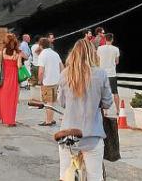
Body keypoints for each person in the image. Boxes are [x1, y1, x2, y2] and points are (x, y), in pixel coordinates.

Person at [58, 38, 113, 181]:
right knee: (95, 176)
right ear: (92, 53)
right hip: (91, 136)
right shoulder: (100, 74)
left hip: (67, 135)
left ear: (73, 53)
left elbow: (62, 102)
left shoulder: (65, 73)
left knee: (65, 175)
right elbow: (108, 102)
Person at [0, 33, 23, 126]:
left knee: (3, 98)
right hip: (13, 78)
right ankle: (10, 120)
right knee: (12, 99)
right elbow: (19, 66)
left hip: (4, 77)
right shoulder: (17, 53)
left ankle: (4, 118)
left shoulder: (3, 51)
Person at [37, 37, 63, 126]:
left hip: (47, 81)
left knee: (48, 102)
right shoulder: (55, 54)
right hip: (56, 81)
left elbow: (41, 71)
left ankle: (48, 121)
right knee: (52, 101)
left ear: (41, 45)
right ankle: (51, 119)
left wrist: (40, 81)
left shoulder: (42, 55)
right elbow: (61, 67)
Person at [96, 33, 120, 116]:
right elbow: (117, 62)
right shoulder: (116, 49)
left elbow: (97, 61)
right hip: (112, 73)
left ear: (105, 39)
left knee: (102, 93)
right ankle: (118, 110)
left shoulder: (99, 48)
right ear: (112, 39)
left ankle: (105, 111)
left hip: (102, 74)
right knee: (115, 92)